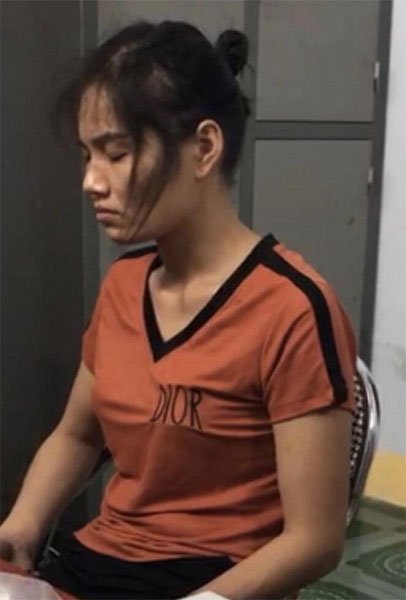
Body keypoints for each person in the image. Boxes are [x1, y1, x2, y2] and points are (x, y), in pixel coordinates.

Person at [0, 20, 356, 600]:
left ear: (205, 148)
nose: (91, 181)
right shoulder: (123, 285)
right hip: (99, 563)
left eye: (116, 153)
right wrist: (19, 531)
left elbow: (314, 540)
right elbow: (78, 436)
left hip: (214, 579)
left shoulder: (293, 309)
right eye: (88, 155)